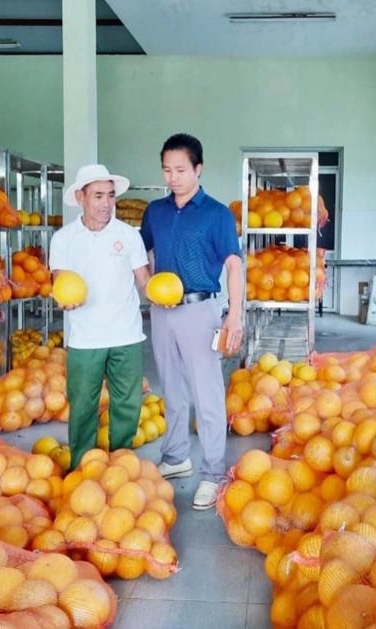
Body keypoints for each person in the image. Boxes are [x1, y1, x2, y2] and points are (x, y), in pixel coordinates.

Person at [140, 133, 243, 510]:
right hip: (163, 312)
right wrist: (149, 286)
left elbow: (233, 264)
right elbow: (146, 251)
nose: (173, 177)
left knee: (207, 392)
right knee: (173, 387)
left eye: (180, 170)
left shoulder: (216, 213)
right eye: (167, 170)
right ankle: (176, 457)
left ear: (198, 169)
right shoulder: (156, 211)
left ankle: (213, 472)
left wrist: (235, 313)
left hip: (201, 311)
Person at [49, 164, 150, 469]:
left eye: (110, 196)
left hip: (127, 335)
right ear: (80, 197)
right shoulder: (64, 239)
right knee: (82, 406)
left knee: (127, 405)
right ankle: (83, 467)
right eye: (98, 196)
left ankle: (121, 465)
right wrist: (62, 300)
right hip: (85, 338)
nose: (106, 203)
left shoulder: (129, 235)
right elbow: (60, 282)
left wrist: (163, 295)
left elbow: (144, 279)